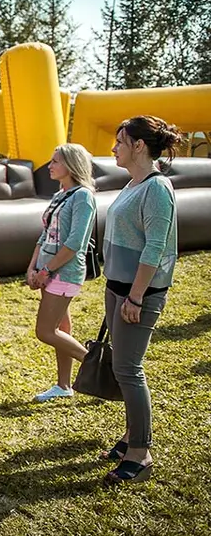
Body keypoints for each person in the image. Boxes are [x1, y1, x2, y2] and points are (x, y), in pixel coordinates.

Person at [99, 115, 184, 486]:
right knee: (121, 367)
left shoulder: (157, 187)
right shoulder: (131, 184)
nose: (114, 148)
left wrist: (135, 297)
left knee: (129, 370)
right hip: (118, 289)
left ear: (138, 145)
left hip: (138, 295)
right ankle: (129, 439)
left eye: (120, 141)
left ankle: (141, 452)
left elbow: (155, 247)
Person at [26, 143, 97, 402]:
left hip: (64, 273)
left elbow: (75, 243)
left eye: (56, 161)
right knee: (62, 327)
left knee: (45, 331)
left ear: (71, 165)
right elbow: (45, 235)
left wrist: (45, 270)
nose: (50, 165)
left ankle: (98, 367)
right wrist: (33, 266)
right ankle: (63, 385)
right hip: (48, 270)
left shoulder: (83, 196)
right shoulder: (60, 195)